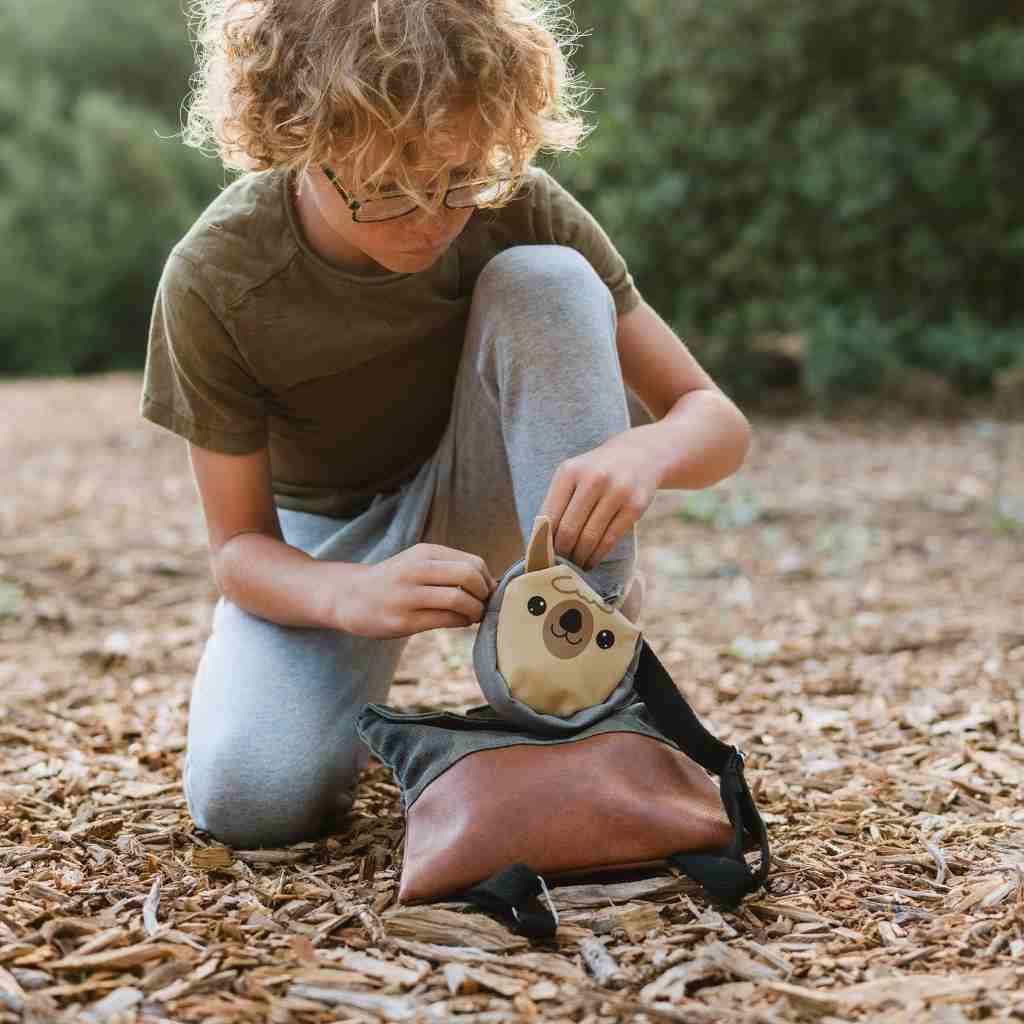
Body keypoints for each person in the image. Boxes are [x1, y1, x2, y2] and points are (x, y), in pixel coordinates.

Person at [141, 0, 752, 849]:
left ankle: (577, 679)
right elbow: (237, 550)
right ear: (296, 138)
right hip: (334, 541)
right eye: (387, 189)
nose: (429, 219)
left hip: (500, 491)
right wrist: (354, 596)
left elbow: (716, 422)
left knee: (548, 279)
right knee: (254, 800)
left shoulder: (520, 204)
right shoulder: (217, 277)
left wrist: (645, 453)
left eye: (459, 178)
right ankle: (425, 721)